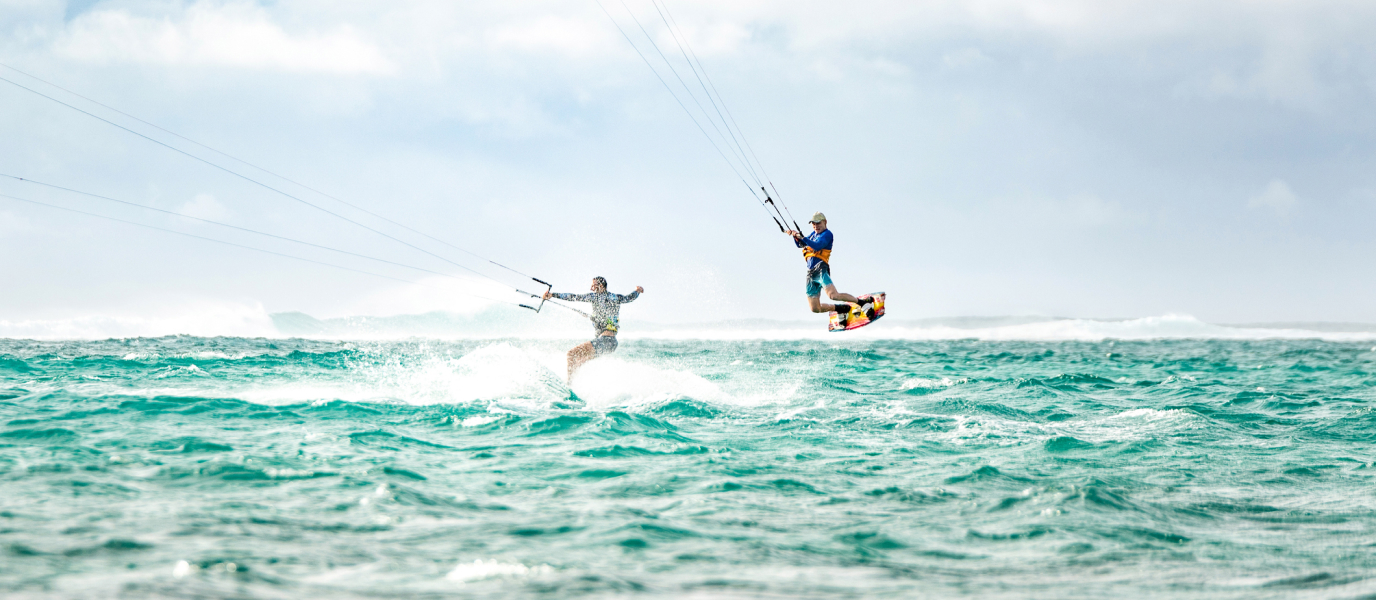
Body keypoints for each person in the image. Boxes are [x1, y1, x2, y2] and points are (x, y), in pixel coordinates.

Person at [543, 276, 643, 382]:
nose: (591, 288)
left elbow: (573, 297)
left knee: (571, 354)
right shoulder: (616, 297)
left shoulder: (595, 297)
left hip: (604, 340)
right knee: (578, 362)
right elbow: (630, 297)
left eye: (593, 285)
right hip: (611, 343)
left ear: (600, 286)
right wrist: (637, 291)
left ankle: (569, 384)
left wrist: (553, 295)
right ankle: (575, 387)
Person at [788, 212, 872, 320]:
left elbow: (817, 246)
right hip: (810, 274)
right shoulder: (813, 234)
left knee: (833, 295)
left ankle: (862, 303)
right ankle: (840, 309)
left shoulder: (827, 234)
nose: (816, 226)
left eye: (818, 223)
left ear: (825, 222)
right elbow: (801, 245)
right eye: (813, 224)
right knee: (815, 308)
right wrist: (795, 237)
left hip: (820, 269)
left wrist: (802, 238)